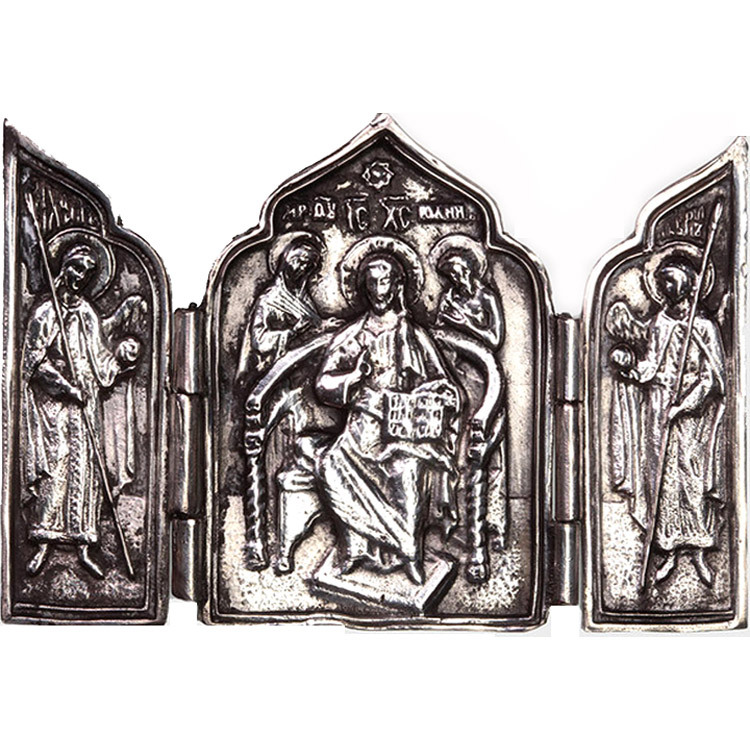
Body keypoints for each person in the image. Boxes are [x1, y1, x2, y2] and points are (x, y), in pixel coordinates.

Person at [315, 240, 460, 585]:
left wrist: (428, 393)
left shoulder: (414, 335)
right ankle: (354, 549)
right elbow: (323, 383)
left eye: (385, 282)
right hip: (362, 426)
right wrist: (353, 378)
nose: (379, 290)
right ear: (364, 289)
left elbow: (445, 385)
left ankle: (410, 553)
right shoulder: (354, 335)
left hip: (404, 429)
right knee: (332, 465)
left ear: (397, 286)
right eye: (372, 283)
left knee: (406, 473)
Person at [22, 242, 144, 578]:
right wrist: (65, 386)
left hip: (85, 403)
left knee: (85, 472)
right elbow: (34, 364)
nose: (80, 277)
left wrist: (121, 360)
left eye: (87, 273)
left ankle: (84, 546)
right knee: (56, 466)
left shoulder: (87, 312)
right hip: (54, 407)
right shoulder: (45, 314)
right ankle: (42, 543)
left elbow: (99, 358)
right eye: (76, 269)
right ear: (65, 268)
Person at [609, 254, 726, 587]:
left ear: (687, 284)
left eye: (670, 282)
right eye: (661, 284)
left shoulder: (703, 326)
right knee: (663, 482)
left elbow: (712, 379)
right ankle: (669, 551)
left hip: (694, 416)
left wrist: (685, 405)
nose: (665, 289)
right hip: (659, 407)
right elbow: (651, 364)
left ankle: (700, 552)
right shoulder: (660, 321)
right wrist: (631, 369)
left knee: (692, 478)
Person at [433, 235, 504, 350]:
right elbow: (438, 331)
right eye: (450, 275)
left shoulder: (487, 297)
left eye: (457, 273)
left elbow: (495, 341)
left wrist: (467, 325)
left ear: (468, 270)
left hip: (481, 352)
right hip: (453, 351)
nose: (454, 278)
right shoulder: (448, 297)